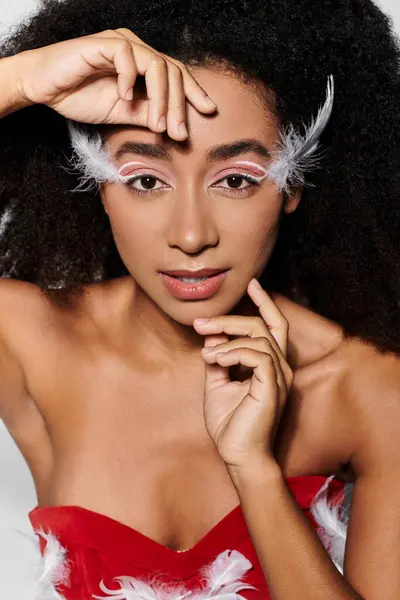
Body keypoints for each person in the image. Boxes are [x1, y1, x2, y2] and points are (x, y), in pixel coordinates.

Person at [0, 0, 399, 598]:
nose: (191, 235)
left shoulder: (369, 391)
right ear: (97, 187)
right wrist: (19, 81)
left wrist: (254, 472)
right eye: (144, 179)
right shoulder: (31, 341)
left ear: (292, 183)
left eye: (236, 179)